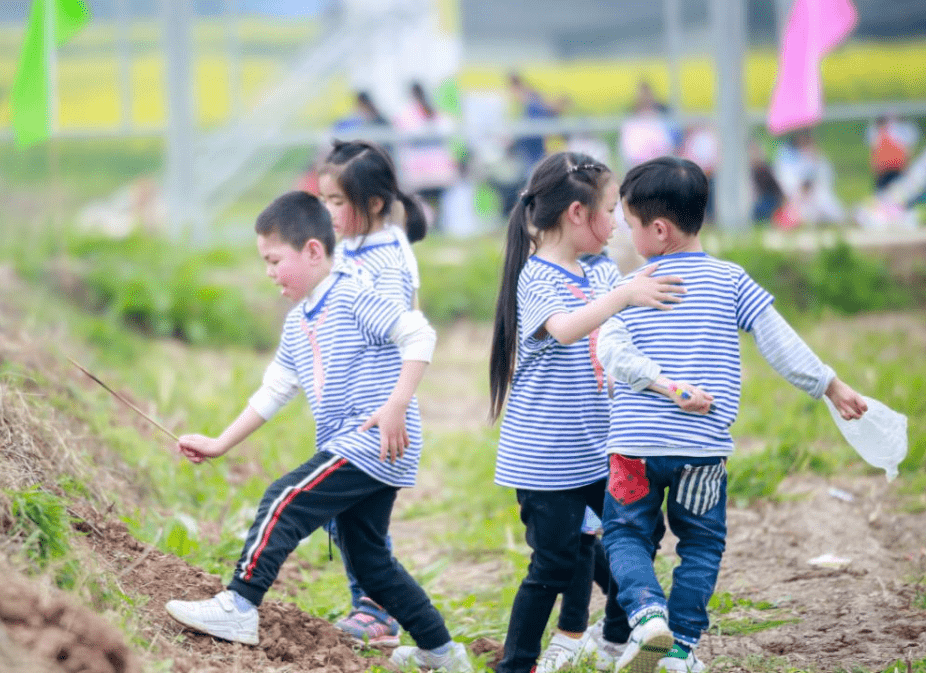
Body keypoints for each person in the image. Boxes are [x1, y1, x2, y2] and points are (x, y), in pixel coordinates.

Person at [164, 191, 472, 673]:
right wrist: (220, 443)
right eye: (263, 262)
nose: (268, 272)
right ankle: (442, 652)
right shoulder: (298, 323)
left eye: (274, 260)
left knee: (284, 498)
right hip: (359, 446)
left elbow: (419, 334)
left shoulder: (351, 294)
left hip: (371, 437)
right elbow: (274, 390)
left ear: (312, 250)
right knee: (370, 562)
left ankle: (240, 604)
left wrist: (396, 404)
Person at [593, 156, 868, 673]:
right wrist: (828, 384)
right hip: (702, 448)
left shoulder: (629, 288)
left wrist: (666, 387)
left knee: (626, 534)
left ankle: (648, 615)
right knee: (700, 543)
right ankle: (680, 650)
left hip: (634, 443)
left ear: (658, 228)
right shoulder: (731, 280)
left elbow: (612, 354)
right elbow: (779, 341)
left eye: (630, 226)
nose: (627, 237)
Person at [488, 151, 687, 673]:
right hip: (547, 459)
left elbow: (621, 331)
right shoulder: (537, 276)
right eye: (609, 213)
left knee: (631, 537)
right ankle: (517, 665)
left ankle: (621, 636)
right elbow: (566, 328)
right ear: (577, 213)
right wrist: (623, 294)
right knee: (554, 563)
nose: (616, 224)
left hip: (599, 448)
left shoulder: (599, 268)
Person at [316, 139, 427, 643]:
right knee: (348, 519)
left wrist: (395, 404)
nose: (329, 212)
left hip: (379, 407)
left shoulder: (388, 260)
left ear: (375, 204)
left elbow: (402, 331)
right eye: (325, 201)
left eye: (337, 202)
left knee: (363, 522)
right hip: (349, 404)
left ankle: (378, 608)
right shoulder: (357, 247)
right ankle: (371, 602)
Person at [395, 81, 459, 229]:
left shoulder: (408, 114)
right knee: (436, 203)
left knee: (423, 201)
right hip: (440, 167)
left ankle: (430, 227)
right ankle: (437, 226)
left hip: (420, 169)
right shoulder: (435, 112)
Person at [866, 114, 920, 191]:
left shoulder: (896, 135)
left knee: (897, 192)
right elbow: (874, 154)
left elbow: (905, 152)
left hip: (896, 169)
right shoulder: (878, 137)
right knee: (883, 192)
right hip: (883, 170)